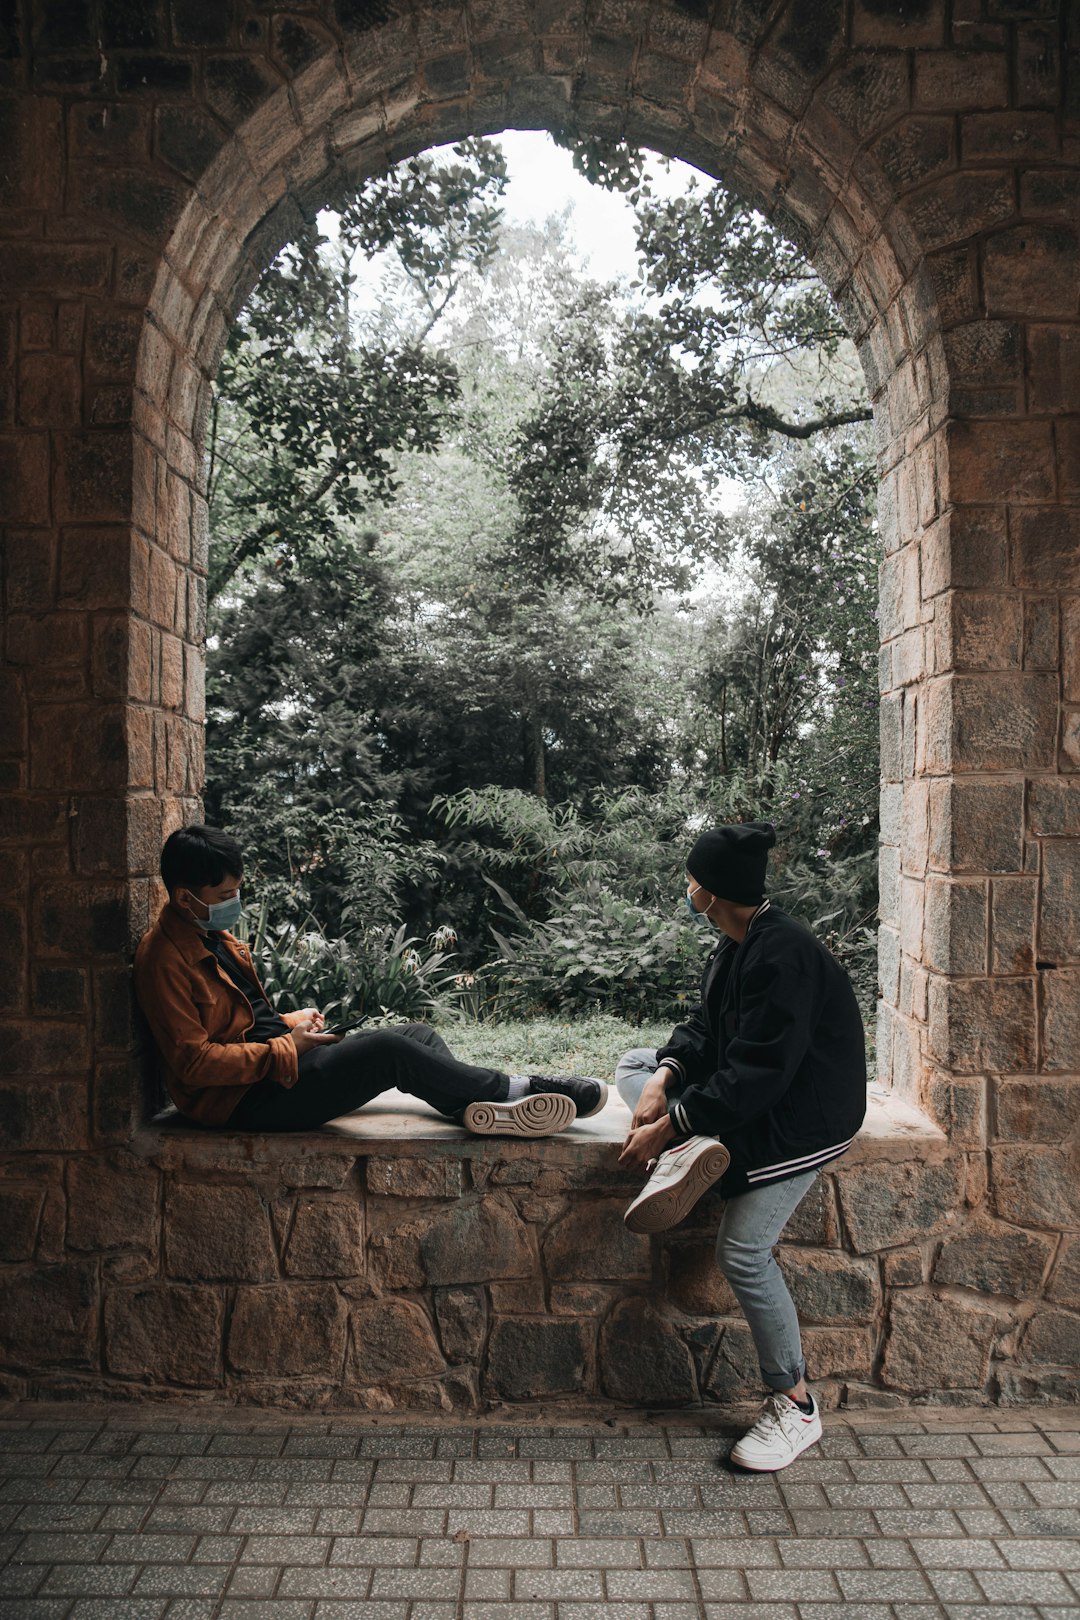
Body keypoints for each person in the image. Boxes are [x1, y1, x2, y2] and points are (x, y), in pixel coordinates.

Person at [616, 822, 866, 1472]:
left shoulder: (783, 955)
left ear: (709, 892)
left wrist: (671, 1123)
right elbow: (704, 1027)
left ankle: (796, 1405)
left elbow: (761, 1072)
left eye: (693, 877)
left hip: (801, 1115)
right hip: (750, 1093)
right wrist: (667, 1078)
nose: (688, 886)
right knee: (634, 1065)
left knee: (743, 1250)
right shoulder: (736, 941)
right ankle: (695, 1141)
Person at [135, 825, 606, 1136]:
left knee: (415, 1034)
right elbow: (194, 1064)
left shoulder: (211, 933)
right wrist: (289, 1048)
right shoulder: (164, 960)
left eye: (236, 892)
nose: (234, 903)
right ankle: (517, 1090)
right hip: (243, 1102)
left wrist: (290, 1022)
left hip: (276, 1068)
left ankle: (475, 1109)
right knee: (388, 1051)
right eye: (225, 895)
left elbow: (240, 1022)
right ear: (183, 897)